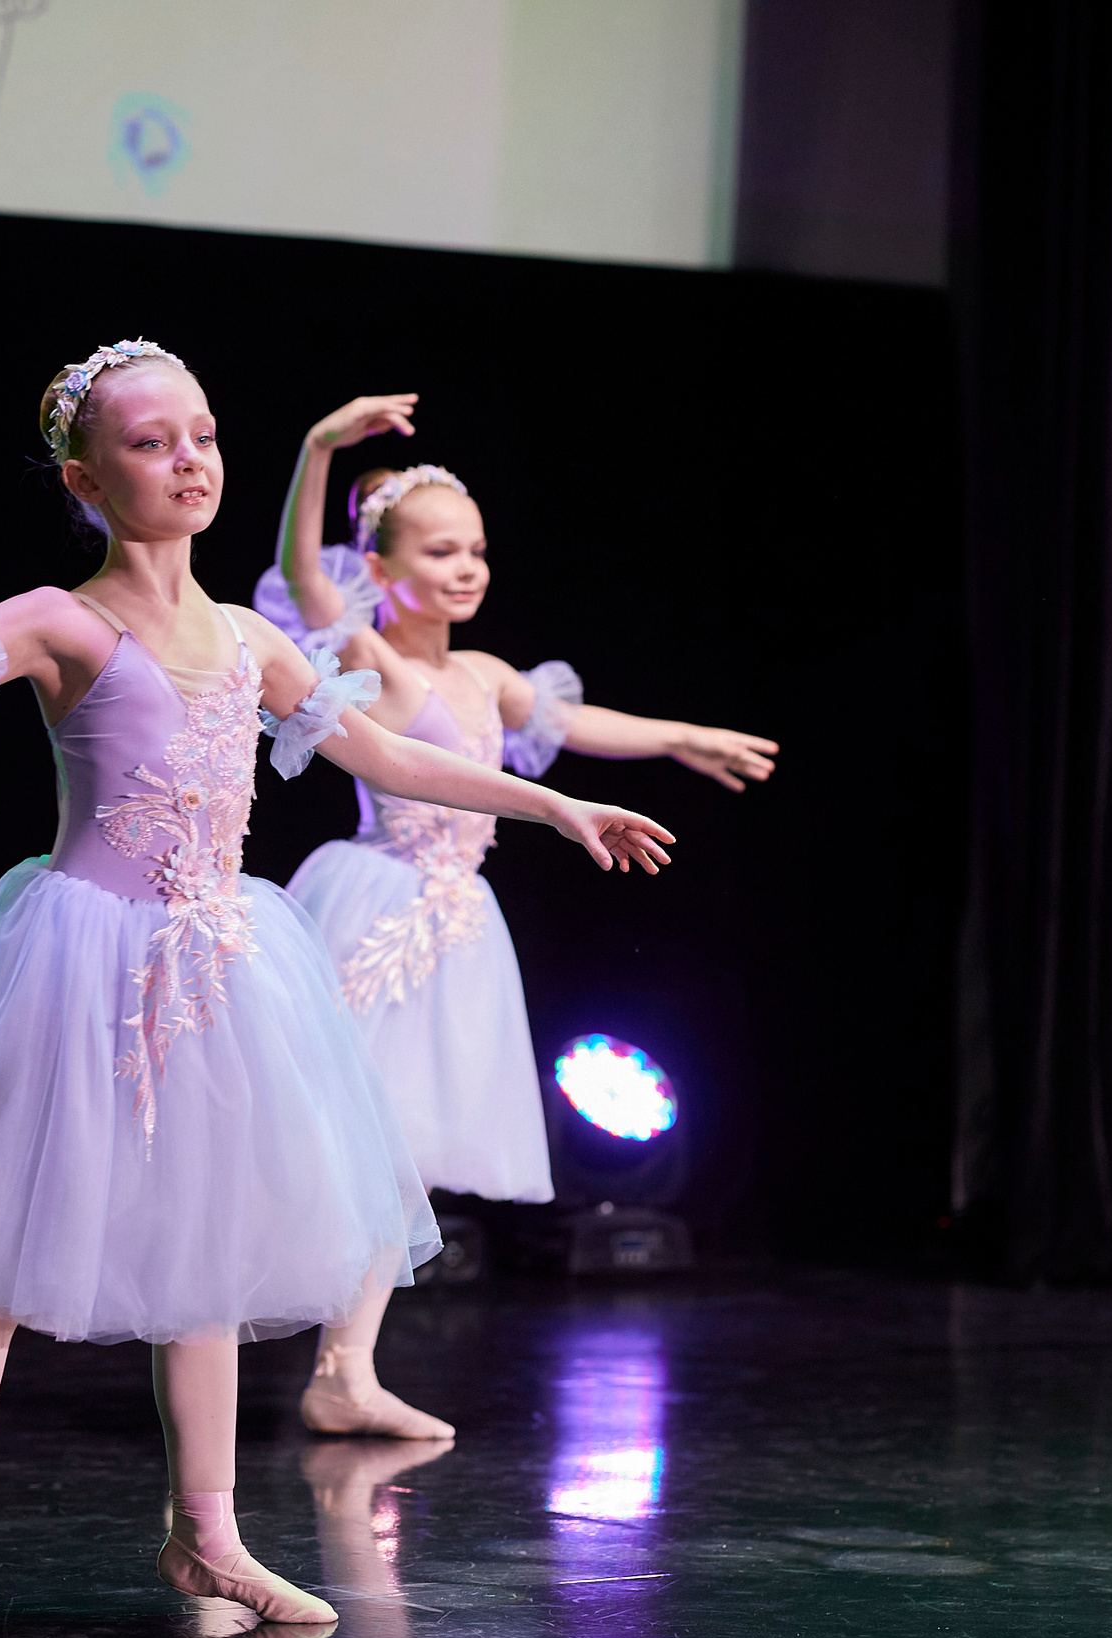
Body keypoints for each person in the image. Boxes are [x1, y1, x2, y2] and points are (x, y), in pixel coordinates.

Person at [0, 342, 676, 1638]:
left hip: (224, 964)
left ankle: (209, 1530)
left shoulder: (253, 637)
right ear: (86, 476)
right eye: (156, 440)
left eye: (205, 434)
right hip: (83, 962)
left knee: (209, 1256)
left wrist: (555, 801)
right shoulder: (64, 619)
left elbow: (393, 751)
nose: (192, 459)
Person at [254, 395, 777, 1440]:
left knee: (396, 1153)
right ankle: (248, 1337)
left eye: (476, 551)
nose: (465, 568)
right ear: (384, 566)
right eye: (440, 550)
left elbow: (574, 721)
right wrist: (317, 449)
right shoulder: (370, 653)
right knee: (328, 1140)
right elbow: (306, 579)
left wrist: (681, 736)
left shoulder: (485, 674)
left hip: (457, 928)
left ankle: (343, 1370)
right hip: (376, 910)